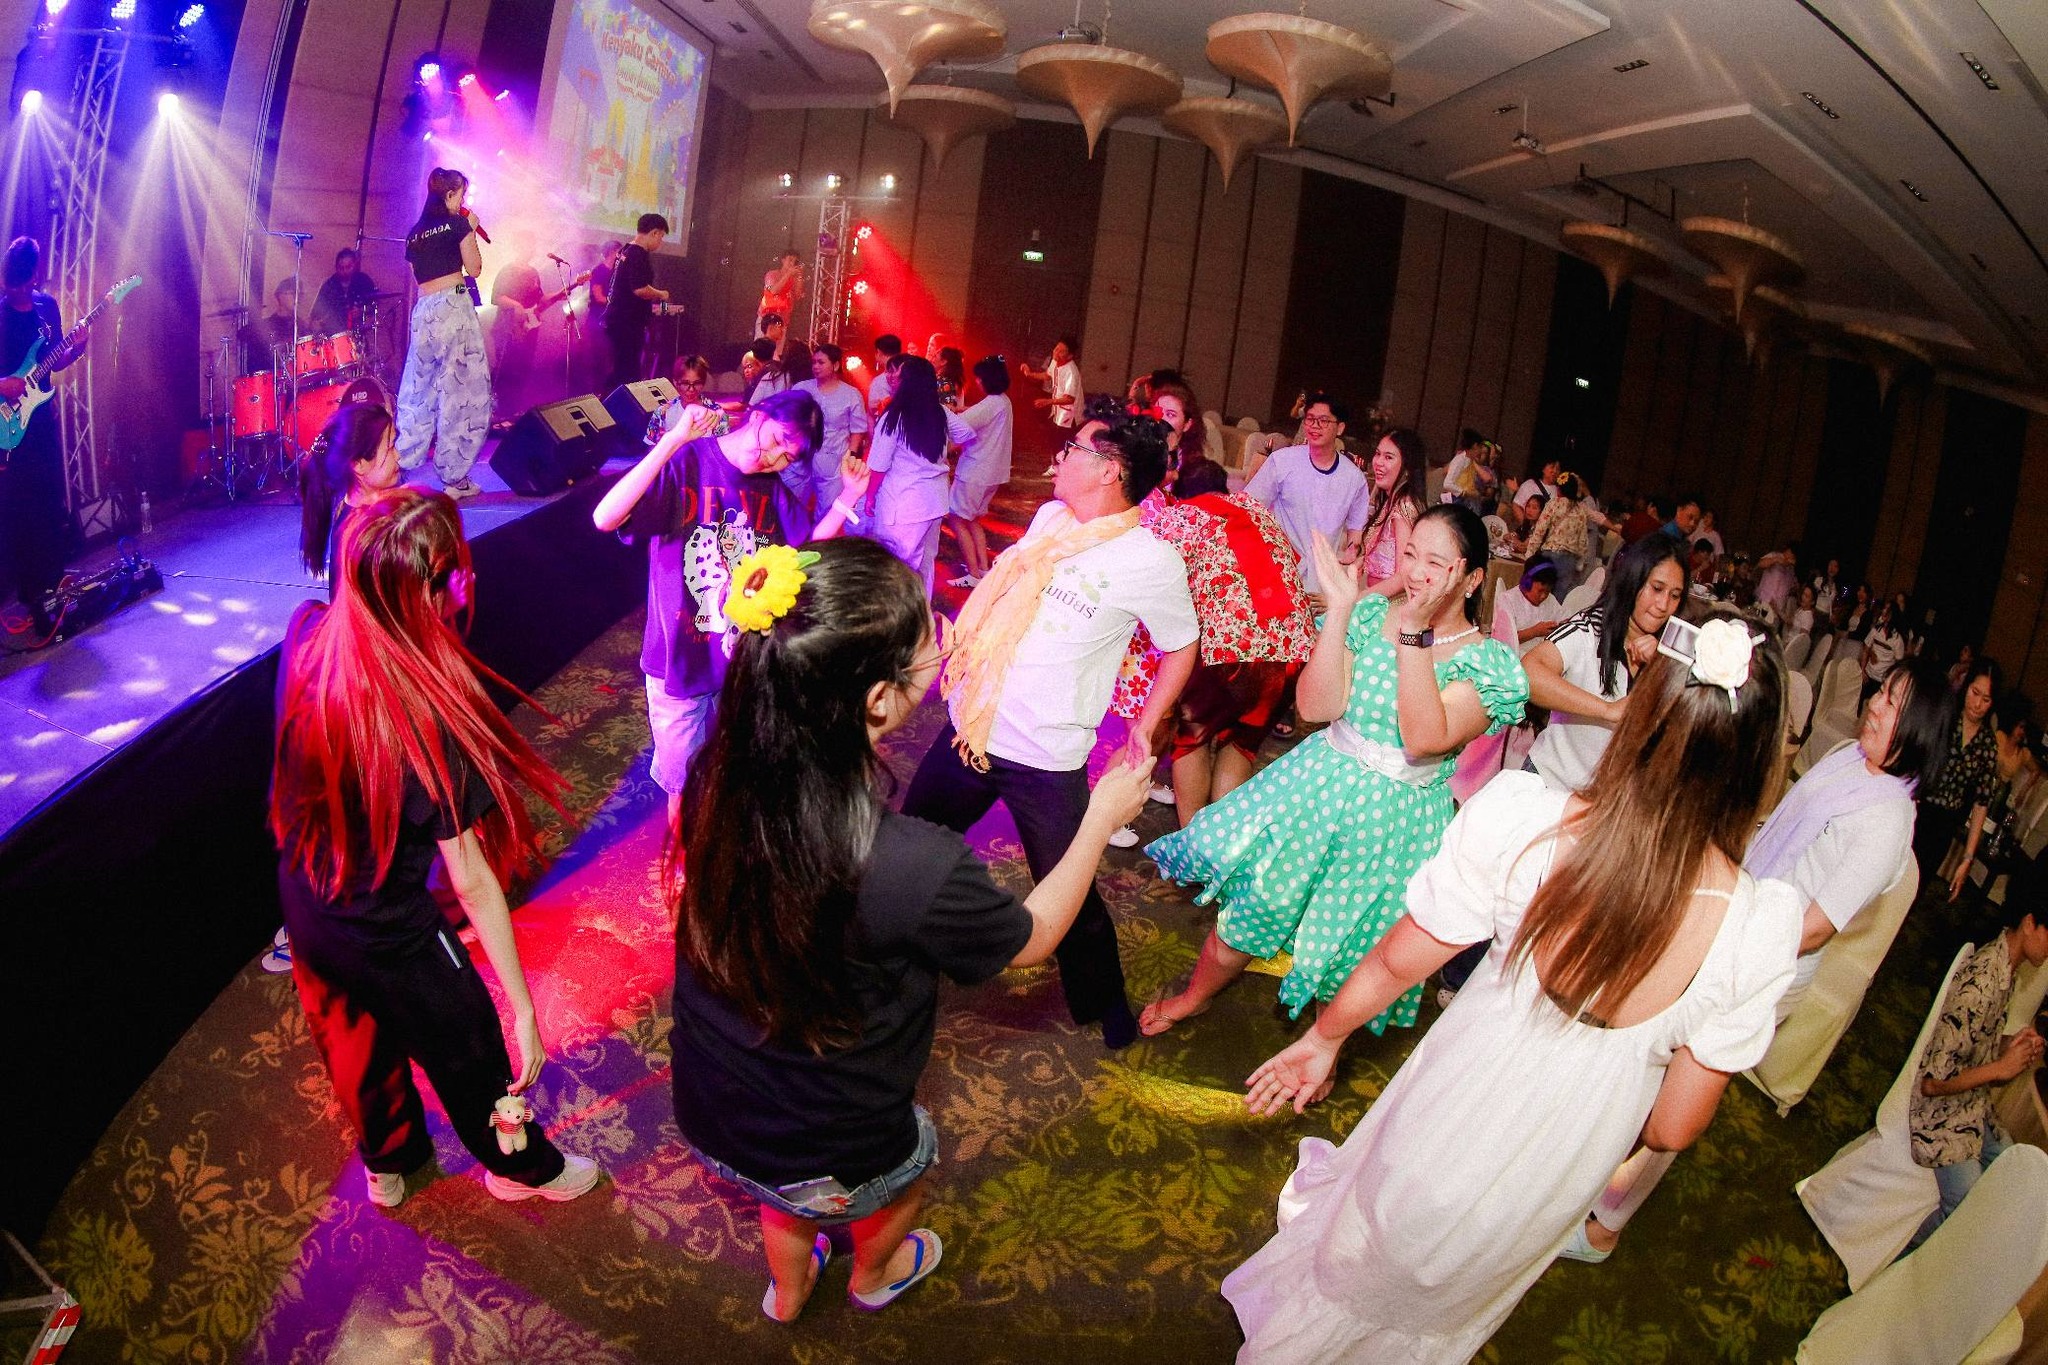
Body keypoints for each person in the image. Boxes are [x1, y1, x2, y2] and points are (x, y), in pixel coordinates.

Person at [1223, 616, 1796, 1364]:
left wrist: (1324, 1037)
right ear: (1758, 764)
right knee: (1455, 1294)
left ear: (1638, 720)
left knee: (1374, 1243)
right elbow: (1670, 1130)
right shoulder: (1758, 926)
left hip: (1451, 1106)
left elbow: (1397, 963)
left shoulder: (1526, 822)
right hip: (1557, 1166)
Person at [670, 536, 1152, 1322]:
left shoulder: (714, 774)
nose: (948, 635)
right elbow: (1031, 938)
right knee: (893, 1184)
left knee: (782, 1196)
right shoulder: (912, 862)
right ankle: (876, 1273)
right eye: (930, 632)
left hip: (716, 1099)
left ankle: (788, 1293)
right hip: (834, 1130)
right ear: (878, 700)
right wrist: (1097, 819)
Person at [271, 487, 600, 1207]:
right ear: (424, 591)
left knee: (353, 1038)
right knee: (469, 1044)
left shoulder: (307, 630)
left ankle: (388, 1159)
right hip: (389, 928)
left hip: (305, 900)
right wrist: (522, 1010)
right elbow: (472, 879)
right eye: (459, 568)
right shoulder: (423, 722)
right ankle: (521, 1170)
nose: (469, 579)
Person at [1573, 654, 1953, 1262]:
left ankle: (1605, 1226)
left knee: (1683, 1085)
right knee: (1655, 1059)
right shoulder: (1850, 760)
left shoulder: (1887, 821)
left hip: (1768, 964)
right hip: (1736, 923)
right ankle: (1590, 1173)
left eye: (1894, 703)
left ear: (1920, 729)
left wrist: (1736, 944)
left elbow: (1817, 926)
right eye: (1882, 692)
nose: (1876, 705)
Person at [1143, 506, 1528, 1035]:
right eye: (1410, 554)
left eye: (1435, 562)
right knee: (1255, 907)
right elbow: (1315, 706)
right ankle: (1195, 997)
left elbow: (1424, 738)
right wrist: (1344, 611)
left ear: (1472, 578)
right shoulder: (1372, 617)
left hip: (1398, 822)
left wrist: (1414, 635)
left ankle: (1323, 1044)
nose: (1416, 572)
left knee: (1353, 946)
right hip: (1319, 786)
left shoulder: (1487, 663)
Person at [898, 409, 1199, 1049]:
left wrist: (1148, 723)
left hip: (1045, 755)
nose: (1058, 457)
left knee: (1069, 891)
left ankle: (1104, 1003)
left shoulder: (1151, 560)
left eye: (1074, 447)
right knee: (910, 843)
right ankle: (895, 950)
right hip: (972, 729)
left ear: (1110, 471)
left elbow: (1182, 643)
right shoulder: (1050, 520)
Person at [590, 390, 866, 827]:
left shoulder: (770, 488)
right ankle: (684, 855)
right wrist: (672, 440)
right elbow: (605, 517)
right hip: (678, 658)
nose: (772, 459)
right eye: (775, 441)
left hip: (737, 662)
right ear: (758, 415)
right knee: (683, 787)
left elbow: (806, 553)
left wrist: (848, 497)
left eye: (786, 457)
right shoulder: (688, 460)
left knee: (728, 769)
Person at [1140, 456, 1317, 829]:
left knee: (1191, 739)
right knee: (1241, 744)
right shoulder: (1259, 511)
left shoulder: (1180, 515)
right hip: (1291, 651)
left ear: (1181, 494)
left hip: (1227, 653)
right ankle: (1217, 843)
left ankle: (1192, 842)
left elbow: (1152, 580)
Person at [1908, 892, 2048, 1246]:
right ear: (2029, 924)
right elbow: (1932, 1084)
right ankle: (1902, 1266)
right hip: (1941, 1110)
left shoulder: (2007, 967)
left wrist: (2010, 1045)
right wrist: (2000, 1069)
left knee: (2013, 1169)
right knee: (1963, 1206)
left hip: (1971, 1103)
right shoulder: (1983, 982)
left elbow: (1975, 1044)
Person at [1523, 532, 1690, 793]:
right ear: (1633, 581)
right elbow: (1529, 672)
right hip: (1552, 784)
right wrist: (1607, 710)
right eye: (1657, 589)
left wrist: (1663, 666)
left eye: (1675, 595)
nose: (1663, 605)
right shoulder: (1590, 630)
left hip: (1608, 800)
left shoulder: (1673, 651)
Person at [394, 167, 491, 499]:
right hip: (454, 306)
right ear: (450, 194)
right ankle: (454, 476)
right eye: (460, 194)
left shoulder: (414, 234)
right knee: (462, 390)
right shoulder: (458, 224)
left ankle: (398, 466)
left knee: (418, 388)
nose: (462, 201)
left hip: (424, 311)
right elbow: (474, 268)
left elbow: (417, 276)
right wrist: (471, 229)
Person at [0, 237, 78, 639]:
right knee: (21, 509)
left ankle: (54, 585)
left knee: (50, 501)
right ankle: (31, 594)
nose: (15, 291)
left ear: (33, 276)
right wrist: (3, 383)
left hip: (42, 419)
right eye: (9, 285)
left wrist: (75, 349)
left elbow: (54, 360)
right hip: (10, 426)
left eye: (21, 284)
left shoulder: (47, 307)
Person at [1241, 395, 1372, 601]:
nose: (1315, 426)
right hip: (1279, 567)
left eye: (1324, 421)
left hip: (1322, 578)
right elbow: (1249, 506)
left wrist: (1350, 556)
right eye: (1310, 419)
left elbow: (1355, 533)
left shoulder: (1353, 478)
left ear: (1340, 428)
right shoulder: (1283, 460)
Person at [862, 355, 974, 593]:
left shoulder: (894, 416)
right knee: (924, 564)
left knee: (896, 568)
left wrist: (870, 496)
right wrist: (942, 454)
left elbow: (878, 466)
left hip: (904, 503)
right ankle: (922, 610)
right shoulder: (939, 412)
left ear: (909, 381)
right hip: (934, 501)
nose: (893, 378)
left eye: (899, 375)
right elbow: (967, 434)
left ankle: (901, 614)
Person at [1918, 658, 2003, 901]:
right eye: (1975, 693)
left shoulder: (1987, 744)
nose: (1977, 704)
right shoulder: (1945, 716)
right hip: (1916, 807)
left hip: (1943, 826)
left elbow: (1981, 803)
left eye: (1986, 699)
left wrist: (1967, 858)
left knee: (1915, 889)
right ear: (1966, 686)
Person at [299, 402, 404, 585]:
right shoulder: (363, 537)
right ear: (358, 464)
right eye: (390, 448)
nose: (398, 456)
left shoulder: (361, 512)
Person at [946, 354, 1013, 587]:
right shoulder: (1003, 401)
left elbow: (958, 426)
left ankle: (973, 575)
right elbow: (976, 414)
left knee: (956, 518)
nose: (976, 381)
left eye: (978, 378)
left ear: (986, 379)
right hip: (992, 472)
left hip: (976, 471)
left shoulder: (990, 403)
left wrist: (946, 411)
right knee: (974, 519)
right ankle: (983, 570)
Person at [792, 342, 871, 516]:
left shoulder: (851, 394)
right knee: (791, 506)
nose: (815, 366)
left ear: (835, 365)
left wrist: (851, 456)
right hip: (800, 457)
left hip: (833, 461)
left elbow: (858, 430)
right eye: (814, 362)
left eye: (821, 362)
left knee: (827, 511)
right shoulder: (801, 389)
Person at [602, 213, 670, 390]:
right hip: (627, 323)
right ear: (654, 233)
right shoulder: (638, 254)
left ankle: (610, 400)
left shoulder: (625, 251)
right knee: (628, 371)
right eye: (661, 236)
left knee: (622, 367)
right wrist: (661, 294)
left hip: (618, 320)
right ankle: (615, 403)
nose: (660, 242)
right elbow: (639, 288)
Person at [1357, 427, 1428, 588]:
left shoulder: (1404, 507)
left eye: (1388, 457)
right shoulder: (1391, 501)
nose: (1378, 462)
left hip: (1386, 601)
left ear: (1408, 468)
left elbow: (1403, 576)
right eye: (1377, 454)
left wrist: (1360, 598)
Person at [1524, 472, 1599, 598]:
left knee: (1542, 593)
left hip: (1550, 554)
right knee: (1559, 596)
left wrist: (1530, 553)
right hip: (1569, 560)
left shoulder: (1554, 504)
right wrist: (1580, 561)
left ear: (1559, 489)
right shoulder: (1581, 510)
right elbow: (1583, 539)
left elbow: (1540, 530)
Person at [1021, 335, 1081, 455]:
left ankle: (1060, 463)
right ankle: (1054, 461)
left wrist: (1047, 401)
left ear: (1070, 356)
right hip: (1058, 409)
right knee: (1053, 439)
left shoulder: (1071, 371)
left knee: (1062, 444)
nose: (1056, 352)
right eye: (1056, 348)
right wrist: (1030, 374)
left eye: (1061, 351)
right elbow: (1048, 375)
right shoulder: (1055, 361)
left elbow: (1069, 399)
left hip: (1069, 414)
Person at [310, 247, 378, 336]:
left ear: (355, 265)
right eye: (341, 268)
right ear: (336, 267)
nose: (345, 271)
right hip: (334, 334)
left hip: (359, 333)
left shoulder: (364, 281)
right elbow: (316, 313)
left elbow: (374, 305)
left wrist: (361, 311)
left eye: (348, 267)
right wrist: (317, 323)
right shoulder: (329, 285)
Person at [1499, 560, 1561, 655]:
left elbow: (1563, 617)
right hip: (1514, 657)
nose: (1543, 596)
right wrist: (1535, 631)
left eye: (1547, 592)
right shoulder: (1507, 600)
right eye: (1540, 591)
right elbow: (1503, 640)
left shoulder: (1551, 600)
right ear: (1526, 583)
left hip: (1541, 656)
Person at [239, 280, 300, 373]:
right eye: (293, 293)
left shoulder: (300, 324)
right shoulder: (267, 324)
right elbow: (242, 334)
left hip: (296, 374)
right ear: (281, 296)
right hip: (272, 375)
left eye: (298, 294)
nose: (297, 298)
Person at [1861, 600, 1908, 701]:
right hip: (1868, 675)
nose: (1884, 611)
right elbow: (1865, 649)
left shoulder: (1897, 639)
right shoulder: (1875, 630)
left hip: (1881, 680)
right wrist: (1863, 670)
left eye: (1887, 609)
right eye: (1884, 608)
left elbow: (1898, 664)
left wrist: (1890, 681)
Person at [757, 251, 803, 338]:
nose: (792, 263)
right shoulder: (772, 274)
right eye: (790, 260)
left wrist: (799, 277)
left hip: (782, 319)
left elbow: (798, 295)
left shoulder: (794, 279)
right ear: (783, 260)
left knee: (778, 347)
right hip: (767, 318)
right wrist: (788, 274)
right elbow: (773, 291)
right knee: (762, 345)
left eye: (795, 261)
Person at [866, 334, 904, 414]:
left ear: (879, 352)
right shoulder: (911, 377)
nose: (892, 377)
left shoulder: (878, 382)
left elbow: (873, 412)